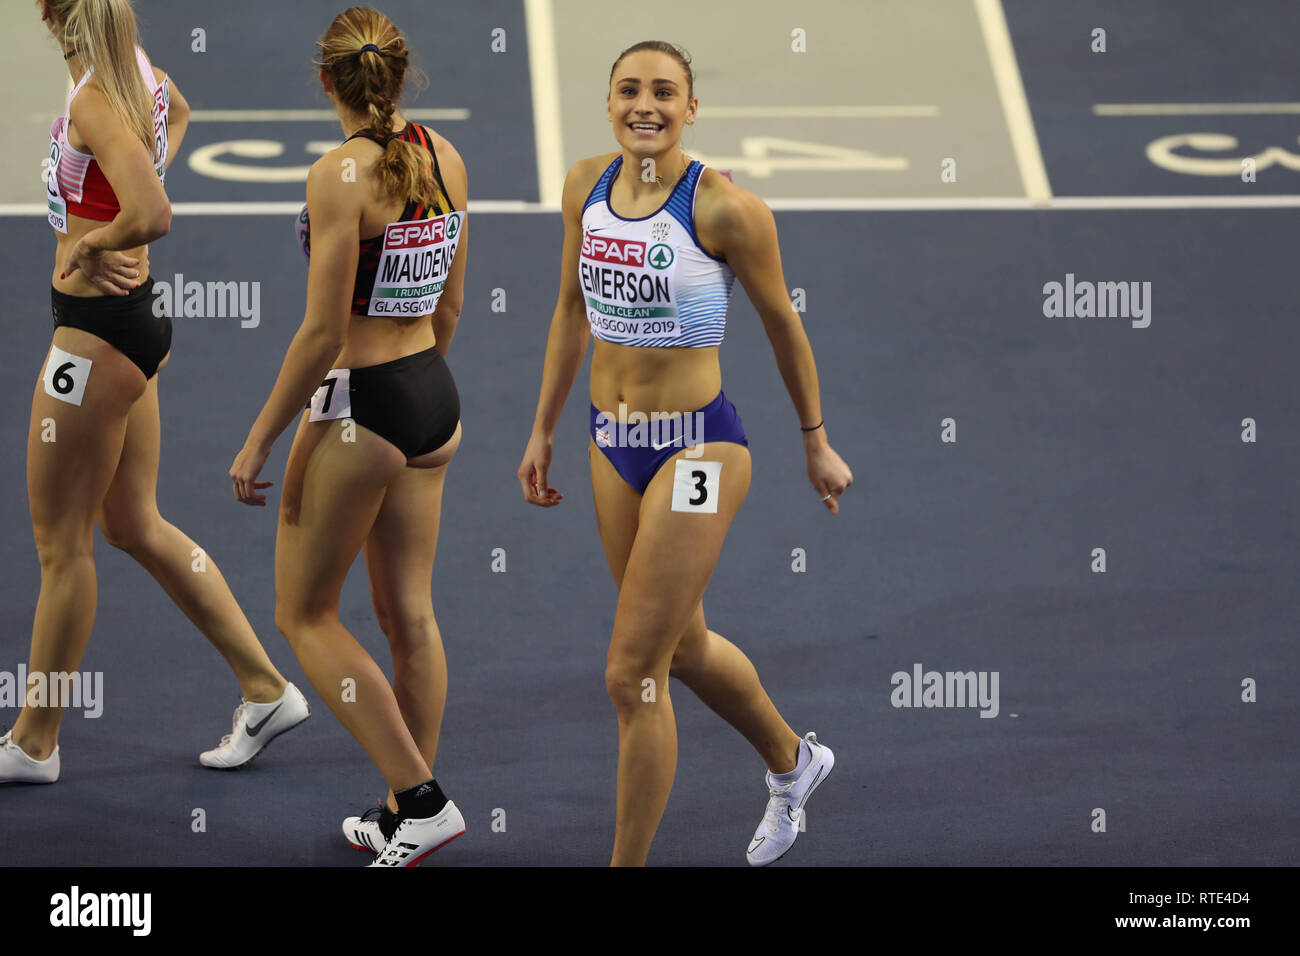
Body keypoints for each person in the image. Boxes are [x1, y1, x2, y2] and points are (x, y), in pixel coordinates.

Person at [517, 41, 853, 866]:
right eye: (629, 89)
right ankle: (794, 761)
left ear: (691, 108)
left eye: (664, 93)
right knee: (682, 644)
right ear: (607, 102)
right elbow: (568, 312)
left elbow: (785, 326)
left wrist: (816, 441)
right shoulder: (583, 187)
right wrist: (544, 428)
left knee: (632, 672)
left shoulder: (727, 211)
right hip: (613, 443)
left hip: (698, 451)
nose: (646, 105)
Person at [1, 0, 309, 786]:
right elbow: (180, 113)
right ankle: (265, 688)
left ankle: (35, 742)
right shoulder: (137, 74)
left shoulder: (97, 100)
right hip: (134, 326)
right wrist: (115, 212)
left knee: (59, 547)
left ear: (49, 16)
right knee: (134, 523)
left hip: (92, 341)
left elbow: (155, 213)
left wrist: (95, 242)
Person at [230, 6, 469, 867]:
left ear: (325, 80)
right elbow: (450, 304)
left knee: (304, 614)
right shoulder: (447, 156)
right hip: (432, 397)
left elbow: (322, 333)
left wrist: (262, 439)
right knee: (410, 614)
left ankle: (422, 800)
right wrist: (413, 383)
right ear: (400, 78)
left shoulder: (339, 175)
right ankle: (407, 804)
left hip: (363, 404)